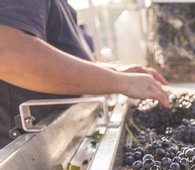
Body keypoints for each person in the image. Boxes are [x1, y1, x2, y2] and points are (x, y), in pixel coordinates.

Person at [0, 0, 170, 148]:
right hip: (21, 158)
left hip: (55, 140)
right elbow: (8, 54)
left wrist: (113, 72)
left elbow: (57, 56)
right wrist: (122, 82)